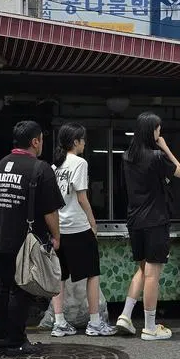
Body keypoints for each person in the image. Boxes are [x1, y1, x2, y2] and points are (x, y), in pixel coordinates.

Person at [0, 120, 64, 356]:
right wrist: (56, 236)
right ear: (35, 141)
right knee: (21, 289)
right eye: (41, 139)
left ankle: (0, 336)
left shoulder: (1, 165)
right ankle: (16, 340)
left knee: (4, 286)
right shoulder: (39, 168)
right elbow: (50, 210)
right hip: (26, 241)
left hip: (0, 235)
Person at [116, 112, 180, 341]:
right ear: (151, 131)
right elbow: (179, 171)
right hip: (155, 220)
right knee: (153, 274)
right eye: (158, 130)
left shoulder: (127, 156)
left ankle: (125, 315)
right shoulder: (156, 156)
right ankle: (150, 327)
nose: (160, 133)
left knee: (143, 269)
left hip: (135, 220)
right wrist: (165, 148)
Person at [51, 123, 117, 337]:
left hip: (59, 227)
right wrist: (92, 222)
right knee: (92, 273)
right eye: (83, 139)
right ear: (75, 142)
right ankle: (95, 322)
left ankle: (59, 322)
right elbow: (82, 197)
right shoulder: (80, 163)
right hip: (78, 227)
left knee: (59, 276)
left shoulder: (55, 166)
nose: (85, 143)